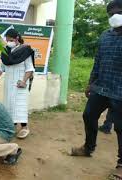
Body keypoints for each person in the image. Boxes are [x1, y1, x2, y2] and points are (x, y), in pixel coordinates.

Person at [71, 0, 122, 178]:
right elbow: (98, 61)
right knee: (88, 115)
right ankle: (88, 147)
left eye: (118, 12)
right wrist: (90, 82)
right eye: (110, 14)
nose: (114, 16)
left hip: (120, 92)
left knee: (120, 127)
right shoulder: (105, 36)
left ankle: (121, 163)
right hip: (101, 87)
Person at [0, 29, 35, 139]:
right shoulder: (5, 51)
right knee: (9, 105)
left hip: (20, 84)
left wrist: (24, 81)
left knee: (20, 106)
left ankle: (24, 128)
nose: (9, 42)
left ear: (17, 38)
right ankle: (10, 127)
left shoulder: (25, 50)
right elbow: (1, 66)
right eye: (7, 40)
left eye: (11, 40)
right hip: (9, 84)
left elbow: (30, 69)